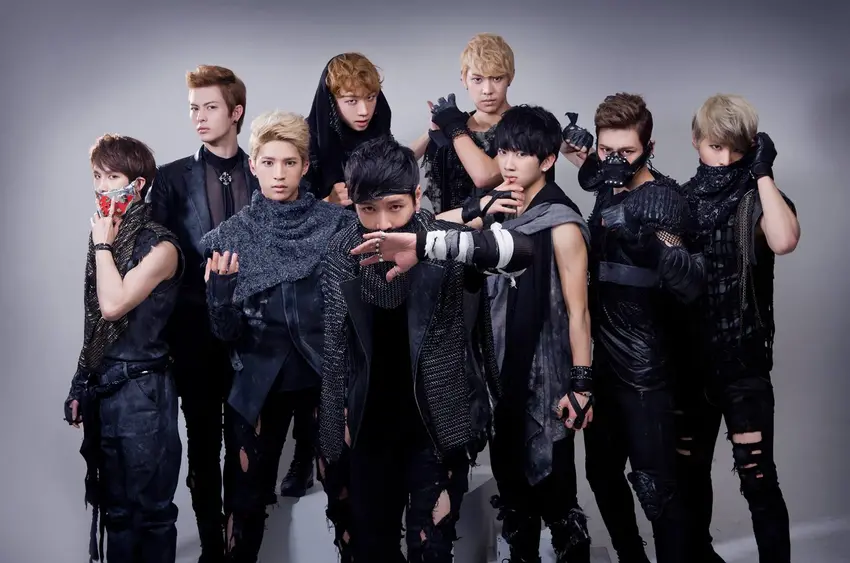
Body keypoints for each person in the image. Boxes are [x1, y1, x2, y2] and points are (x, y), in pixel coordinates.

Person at [317, 135, 535, 562]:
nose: (382, 222)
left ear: (417, 197)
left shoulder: (446, 243)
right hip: (369, 428)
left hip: (437, 425)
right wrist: (333, 432)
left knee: (431, 549)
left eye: (395, 207)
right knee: (371, 551)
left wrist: (424, 246)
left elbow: (522, 253)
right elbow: (335, 350)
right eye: (367, 209)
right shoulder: (342, 251)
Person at [198, 110, 354, 562]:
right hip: (257, 383)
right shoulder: (231, 236)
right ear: (253, 166)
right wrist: (220, 294)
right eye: (268, 163)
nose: (279, 174)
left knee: (347, 497)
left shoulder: (337, 225)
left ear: (305, 166)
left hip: (325, 376)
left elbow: (352, 312)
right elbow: (225, 333)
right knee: (244, 504)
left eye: (289, 163)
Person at [574, 93, 705, 563]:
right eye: (607, 151)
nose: (616, 161)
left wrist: (649, 243)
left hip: (647, 363)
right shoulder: (609, 187)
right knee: (600, 474)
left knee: (656, 487)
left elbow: (690, 282)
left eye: (626, 152)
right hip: (602, 360)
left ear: (649, 148)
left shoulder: (663, 198)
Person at [673, 94, 799, 563]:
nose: (725, 159)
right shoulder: (680, 201)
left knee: (758, 478)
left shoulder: (757, 199)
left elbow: (784, 240)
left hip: (743, 364)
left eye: (737, 149)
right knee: (686, 481)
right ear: (695, 140)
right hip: (687, 366)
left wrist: (762, 172)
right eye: (715, 146)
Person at [150, 64, 259, 562]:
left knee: (247, 443)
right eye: (194, 108)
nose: (199, 116)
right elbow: (156, 260)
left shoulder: (265, 170)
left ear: (236, 112)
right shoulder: (171, 178)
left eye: (210, 107)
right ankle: (212, 548)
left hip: (256, 331)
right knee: (202, 441)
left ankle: (240, 548)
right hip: (193, 332)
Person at [477, 104, 595, 563]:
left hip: (548, 376)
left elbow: (578, 312)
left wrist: (581, 386)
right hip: (502, 369)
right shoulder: (500, 209)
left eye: (522, 153)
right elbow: (436, 231)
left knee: (556, 491)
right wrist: (478, 210)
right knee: (512, 494)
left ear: (547, 160)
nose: (508, 163)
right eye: (504, 151)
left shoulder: (561, 221)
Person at [64, 134, 184, 563]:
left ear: (138, 184)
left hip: (145, 392)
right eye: (97, 176)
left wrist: (101, 245)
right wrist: (81, 381)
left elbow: (113, 306)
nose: (102, 186)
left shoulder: (161, 246)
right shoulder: (109, 240)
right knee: (116, 512)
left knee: (150, 513)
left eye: (112, 176)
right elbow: (94, 323)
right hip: (107, 389)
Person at [412, 32, 526, 214]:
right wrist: (433, 130)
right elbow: (396, 165)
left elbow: (485, 177)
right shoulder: (458, 123)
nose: (487, 90)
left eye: (497, 78)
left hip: (507, 229)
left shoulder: (526, 124)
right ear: (464, 79)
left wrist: (454, 128)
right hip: (447, 227)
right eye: (477, 79)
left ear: (510, 77)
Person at [305, 52, 392, 206]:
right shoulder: (305, 140)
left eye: (370, 97)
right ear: (332, 101)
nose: (364, 111)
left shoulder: (377, 131)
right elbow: (290, 211)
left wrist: (430, 133)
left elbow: (397, 162)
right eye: (352, 101)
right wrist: (328, 202)